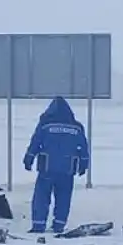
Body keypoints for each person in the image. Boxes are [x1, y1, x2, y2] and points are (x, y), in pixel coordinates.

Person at [22, 96, 89, 234]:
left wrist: (29, 158)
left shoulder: (45, 125)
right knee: (64, 197)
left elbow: (35, 142)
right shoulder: (76, 127)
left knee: (41, 197)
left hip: (47, 167)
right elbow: (83, 147)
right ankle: (59, 225)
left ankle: (38, 225)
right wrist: (84, 164)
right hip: (67, 169)